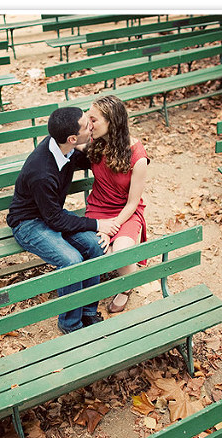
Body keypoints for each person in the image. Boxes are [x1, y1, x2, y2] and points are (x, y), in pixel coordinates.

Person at [7, 106, 119, 334]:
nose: (90, 125)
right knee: (71, 260)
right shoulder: (42, 172)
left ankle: (88, 312)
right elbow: (56, 220)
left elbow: (90, 161)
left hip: (51, 214)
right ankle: (70, 324)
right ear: (72, 138)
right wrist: (98, 224)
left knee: (95, 247)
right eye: (86, 124)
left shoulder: (63, 148)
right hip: (28, 223)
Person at [85, 95, 149, 314]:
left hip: (125, 212)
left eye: (93, 119)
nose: (88, 123)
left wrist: (112, 226)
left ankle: (128, 286)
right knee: (100, 248)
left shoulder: (138, 157)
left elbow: (133, 203)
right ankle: (129, 272)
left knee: (118, 252)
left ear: (111, 122)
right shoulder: (94, 141)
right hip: (97, 209)